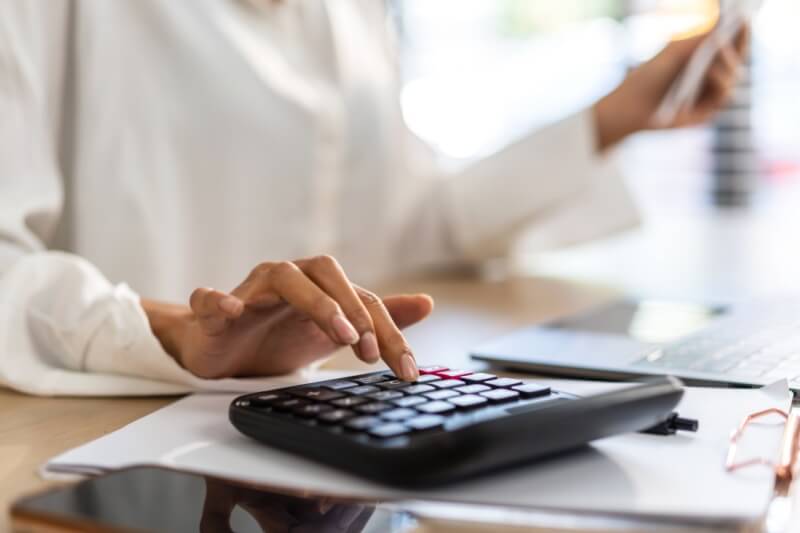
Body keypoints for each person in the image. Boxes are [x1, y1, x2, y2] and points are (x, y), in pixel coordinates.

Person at [0, 1, 747, 396]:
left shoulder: (351, 11)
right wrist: (169, 332)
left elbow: (408, 221)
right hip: (100, 423)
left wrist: (614, 117)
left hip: (314, 420)